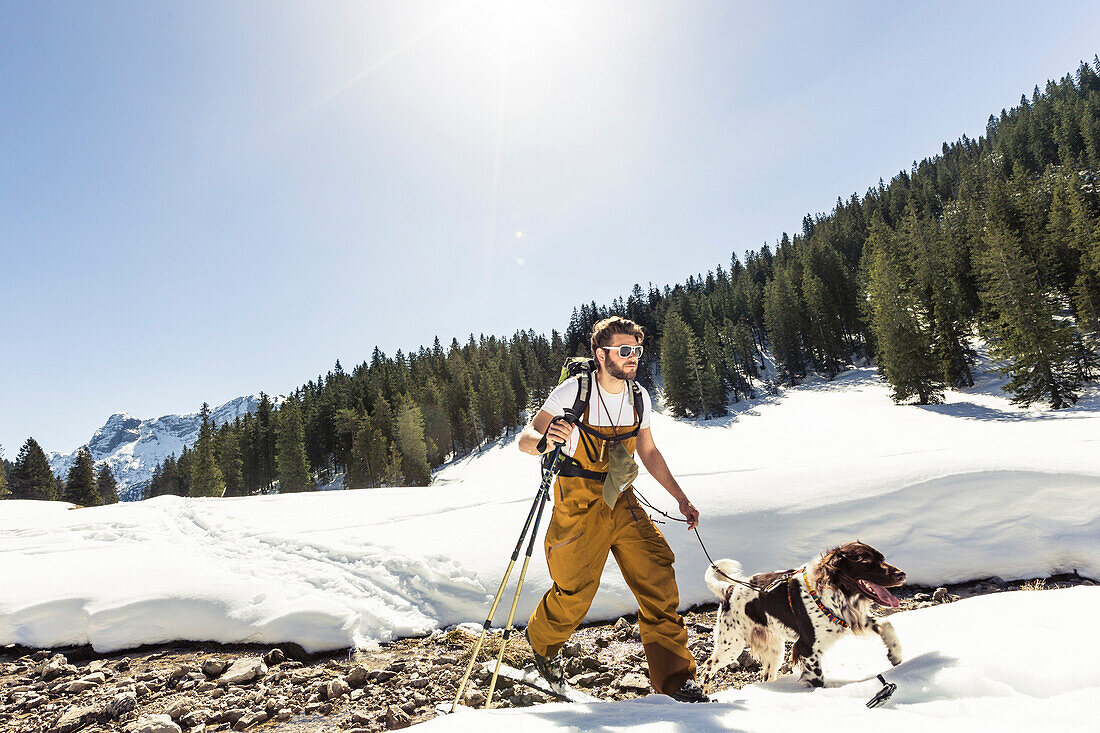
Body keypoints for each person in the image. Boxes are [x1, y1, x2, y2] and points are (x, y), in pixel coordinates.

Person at [518, 316, 708, 703]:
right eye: (624, 350)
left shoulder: (639, 397)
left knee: (657, 570)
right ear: (600, 353)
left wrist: (681, 497)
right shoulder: (575, 391)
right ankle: (542, 644)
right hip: (577, 499)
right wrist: (545, 441)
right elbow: (526, 437)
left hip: (622, 498)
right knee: (575, 589)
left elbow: (649, 452)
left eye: (637, 350)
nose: (633, 357)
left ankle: (676, 681)